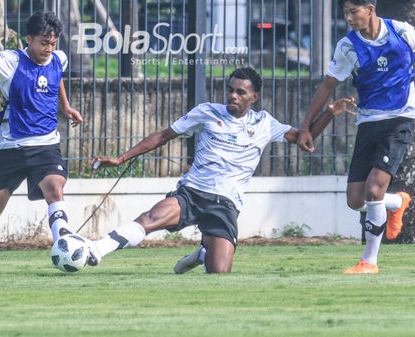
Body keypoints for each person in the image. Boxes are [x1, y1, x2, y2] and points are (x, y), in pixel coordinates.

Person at [89, 67, 353, 273]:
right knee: (150, 219)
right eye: (230, 90)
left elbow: (304, 140)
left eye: (240, 92)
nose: (232, 96)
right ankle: (96, 249)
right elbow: (163, 135)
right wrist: (121, 158)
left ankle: (203, 253)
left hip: (225, 205)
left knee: (219, 272)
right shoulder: (206, 112)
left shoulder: (264, 123)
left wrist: (329, 113)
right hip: (192, 193)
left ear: (254, 97)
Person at [296, 0, 415, 275]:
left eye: (353, 11)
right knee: (356, 200)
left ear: (370, 9)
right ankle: (397, 202)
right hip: (368, 122)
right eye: (345, 12)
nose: (348, 17)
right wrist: (304, 126)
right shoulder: (346, 47)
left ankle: (369, 261)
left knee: (374, 190)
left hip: (400, 119)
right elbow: (326, 87)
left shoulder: (400, 31)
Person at [0, 10, 83, 275]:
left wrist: (65, 107)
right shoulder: (11, 60)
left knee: (55, 187)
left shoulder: (58, 59)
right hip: (10, 145)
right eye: (43, 42)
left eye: (53, 43)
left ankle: (63, 242)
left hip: (46, 144)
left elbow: (57, 78)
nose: (48, 48)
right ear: (29, 39)